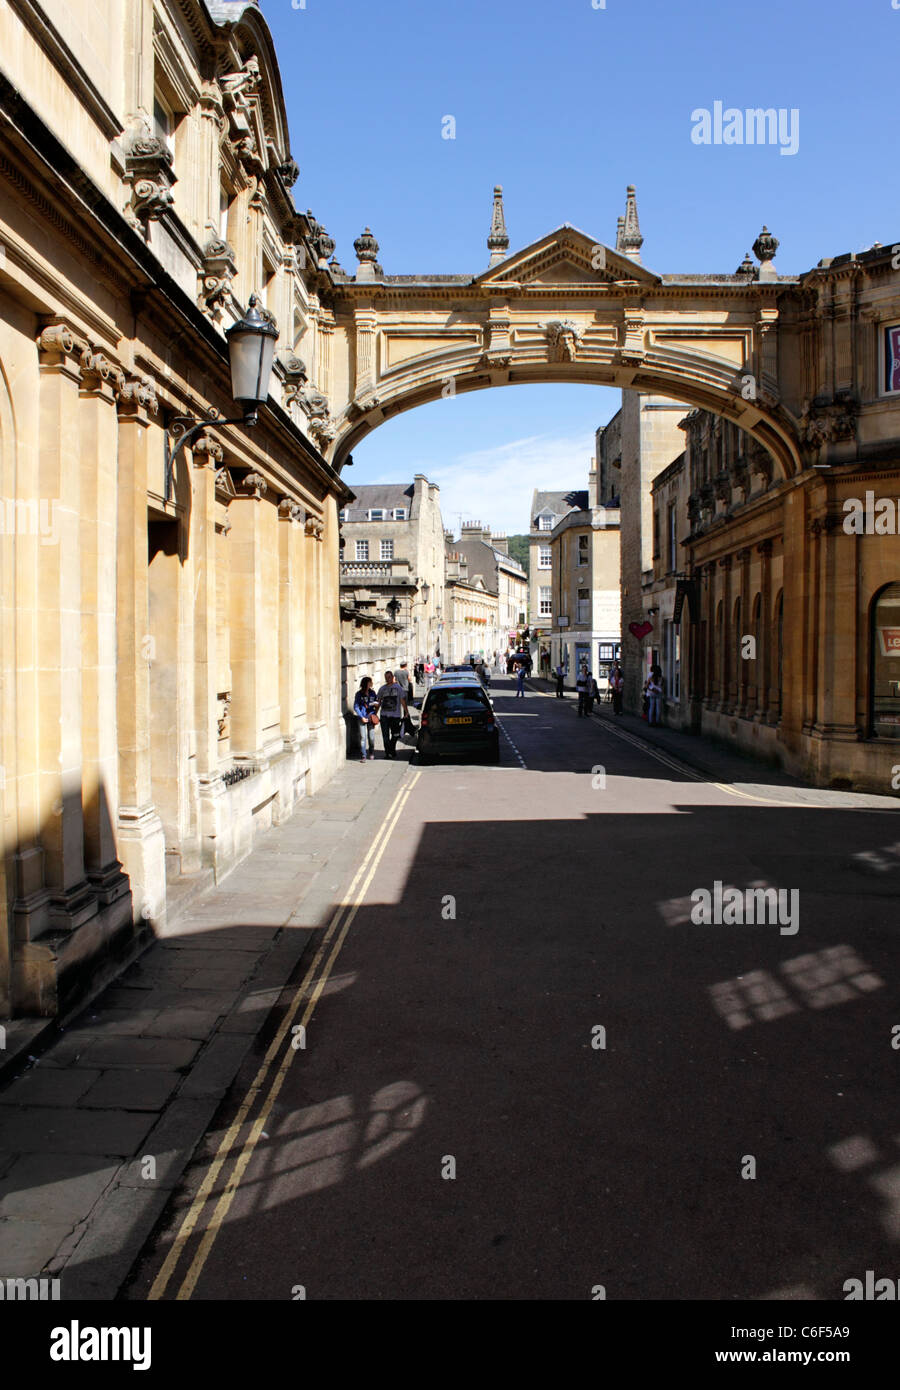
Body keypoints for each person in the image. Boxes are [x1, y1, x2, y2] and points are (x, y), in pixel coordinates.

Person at [375, 670, 409, 759]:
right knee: (385, 736)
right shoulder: (382, 689)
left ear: (393, 677)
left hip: (395, 716)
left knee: (395, 735)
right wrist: (375, 713)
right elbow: (378, 702)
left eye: (389, 677)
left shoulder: (398, 688)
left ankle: (391, 749)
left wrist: (406, 712)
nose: (388, 679)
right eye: (386, 677)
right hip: (384, 716)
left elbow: (402, 700)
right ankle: (388, 753)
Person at [353, 676, 378, 763]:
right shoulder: (359, 694)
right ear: (366, 683)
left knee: (371, 737)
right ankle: (363, 755)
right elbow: (356, 707)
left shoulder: (373, 693)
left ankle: (371, 752)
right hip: (362, 718)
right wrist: (361, 717)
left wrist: (376, 706)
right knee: (363, 737)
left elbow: (377, 702)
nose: (371, 684)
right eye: (370, 682)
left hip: (371, 717)